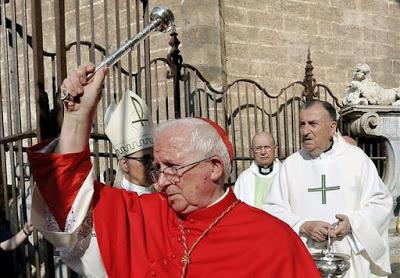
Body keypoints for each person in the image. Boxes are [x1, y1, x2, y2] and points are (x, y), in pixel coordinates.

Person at [27, 64, 320, 277]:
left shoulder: (273, 240)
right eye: (157, 169)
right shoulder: (144, 217)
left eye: (172, 168)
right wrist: (78, 119)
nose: (162, 181)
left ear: (215, 168)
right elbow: (66, 201)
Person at [264, 100, 393, 277]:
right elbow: (272, 210)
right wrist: (303, 225)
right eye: (302, 124)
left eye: (313, 124)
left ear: (332, 128)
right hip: (305, 256)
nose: (305, 131)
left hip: (350, 258)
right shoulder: (291, 165)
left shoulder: (356, 159)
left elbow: (381, 202)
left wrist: (352, 223)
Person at [104, 90, 155, 195]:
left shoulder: (167, 200)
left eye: (155, 158)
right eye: (145, 159)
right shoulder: (112, 201)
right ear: (125, 164)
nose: (153, 165)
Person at [234, 131, 281, 209]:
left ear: (274, 148)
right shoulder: (244, 179)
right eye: (258, 148)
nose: (263, 152)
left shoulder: (285, 174)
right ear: (252, 150)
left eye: (267, 147)